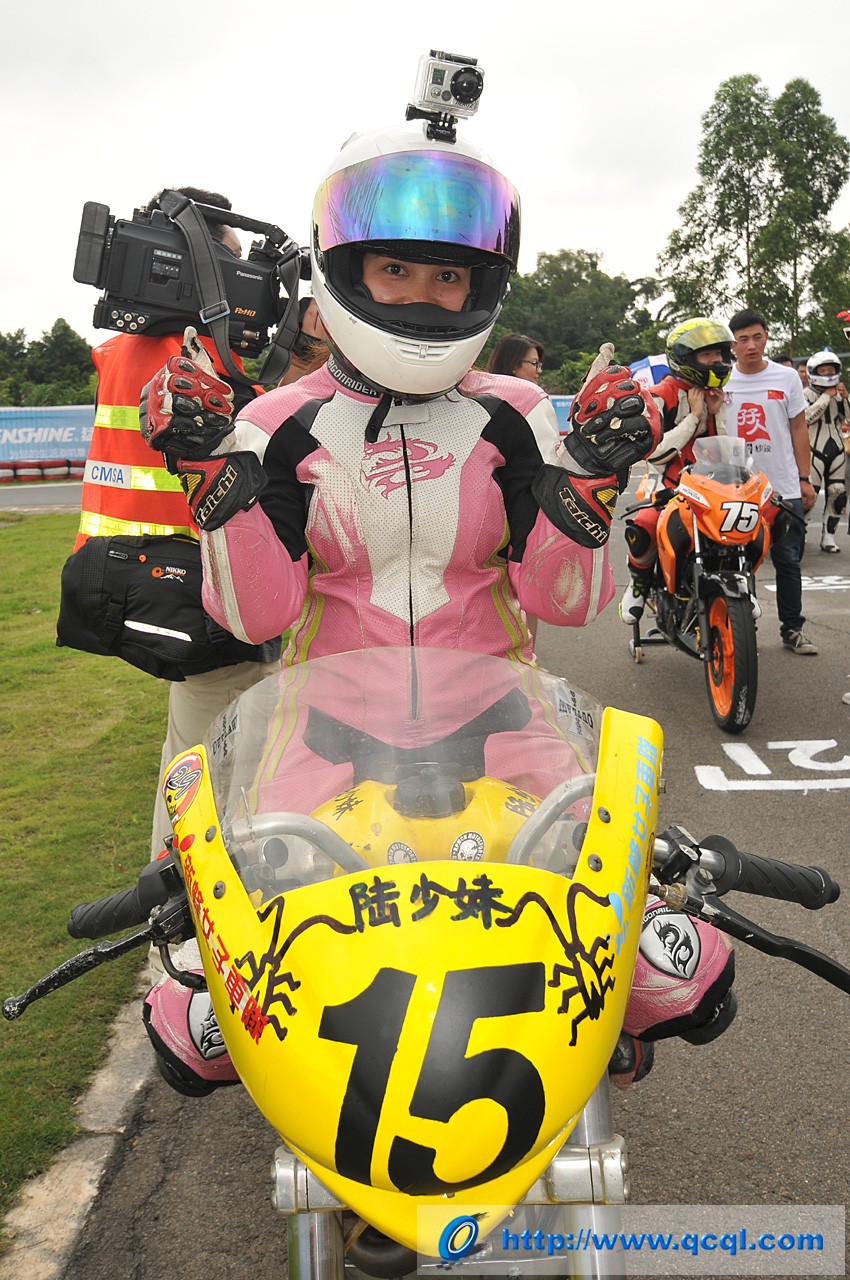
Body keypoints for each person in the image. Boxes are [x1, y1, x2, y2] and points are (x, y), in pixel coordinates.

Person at [140, 123, 734, 1093]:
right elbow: (257, 614)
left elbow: (563, 599)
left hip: (504, 717)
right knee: (227, 1006)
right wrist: (212, 478)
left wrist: (592, 477)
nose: (423, 294)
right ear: (346, 270)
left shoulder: (516, 411)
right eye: (396, 268)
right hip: (321, 729)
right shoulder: (275, 423)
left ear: (481, 283)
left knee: (658, 975)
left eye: (448, 275)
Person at [73, 186, 281, 863]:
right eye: (232, 268)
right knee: (222, 769)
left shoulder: (118, 352)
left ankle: (169, 881)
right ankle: (185, 900)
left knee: (187, 747)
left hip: (133, 579)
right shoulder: (202, 364)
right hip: (200, 588)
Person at [619, 317, 733, 624]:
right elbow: (655, 453)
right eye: (707, 354)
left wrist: (715, 414)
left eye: (719, 353)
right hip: (667, 484)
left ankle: (739, 589)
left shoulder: (716, 394)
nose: (717, 361)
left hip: (711, 486)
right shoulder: (660, 394)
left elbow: (726, 455)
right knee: (643, 526)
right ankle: (639, 582)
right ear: (685, 357)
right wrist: (694, 417)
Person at [726, 308, 817, 654]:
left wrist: (804, 478)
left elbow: (798, 428)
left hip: (782, 488)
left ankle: (792, 629)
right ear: (733, 345)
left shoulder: (787, 377)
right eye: (743, 339)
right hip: (734, 490)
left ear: (766, 337)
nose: (751, 345)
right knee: (735, 563)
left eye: (757, 337)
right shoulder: (722, 379)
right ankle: (741, 632)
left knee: (788, 560)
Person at [803, 348, 847, 553]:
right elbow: (806, 417)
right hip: (813, 449)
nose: (828, 374)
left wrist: (846, 397)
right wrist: (826, 397)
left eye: (831, 370)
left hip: (837, 448)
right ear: (814, 372)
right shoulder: (805, 394)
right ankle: (800, 532)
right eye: (823, 370)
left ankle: (828, 537)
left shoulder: (840, 395)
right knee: (809, 494)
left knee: (837, 493)